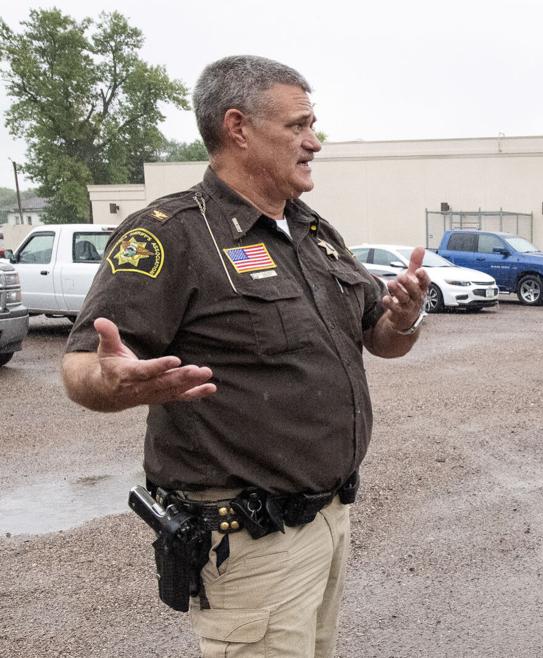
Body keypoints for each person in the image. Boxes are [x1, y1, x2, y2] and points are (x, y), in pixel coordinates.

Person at [61, 55, 429, 657]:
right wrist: (114, 381)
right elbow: (82, 366)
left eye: (313, 126)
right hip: (251, 543)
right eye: (298, 126)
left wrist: (403, 317)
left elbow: (379, 335)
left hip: (329, 520)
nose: (314, 143)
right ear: (238, 128)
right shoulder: (171, 234)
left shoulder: (312, 231)